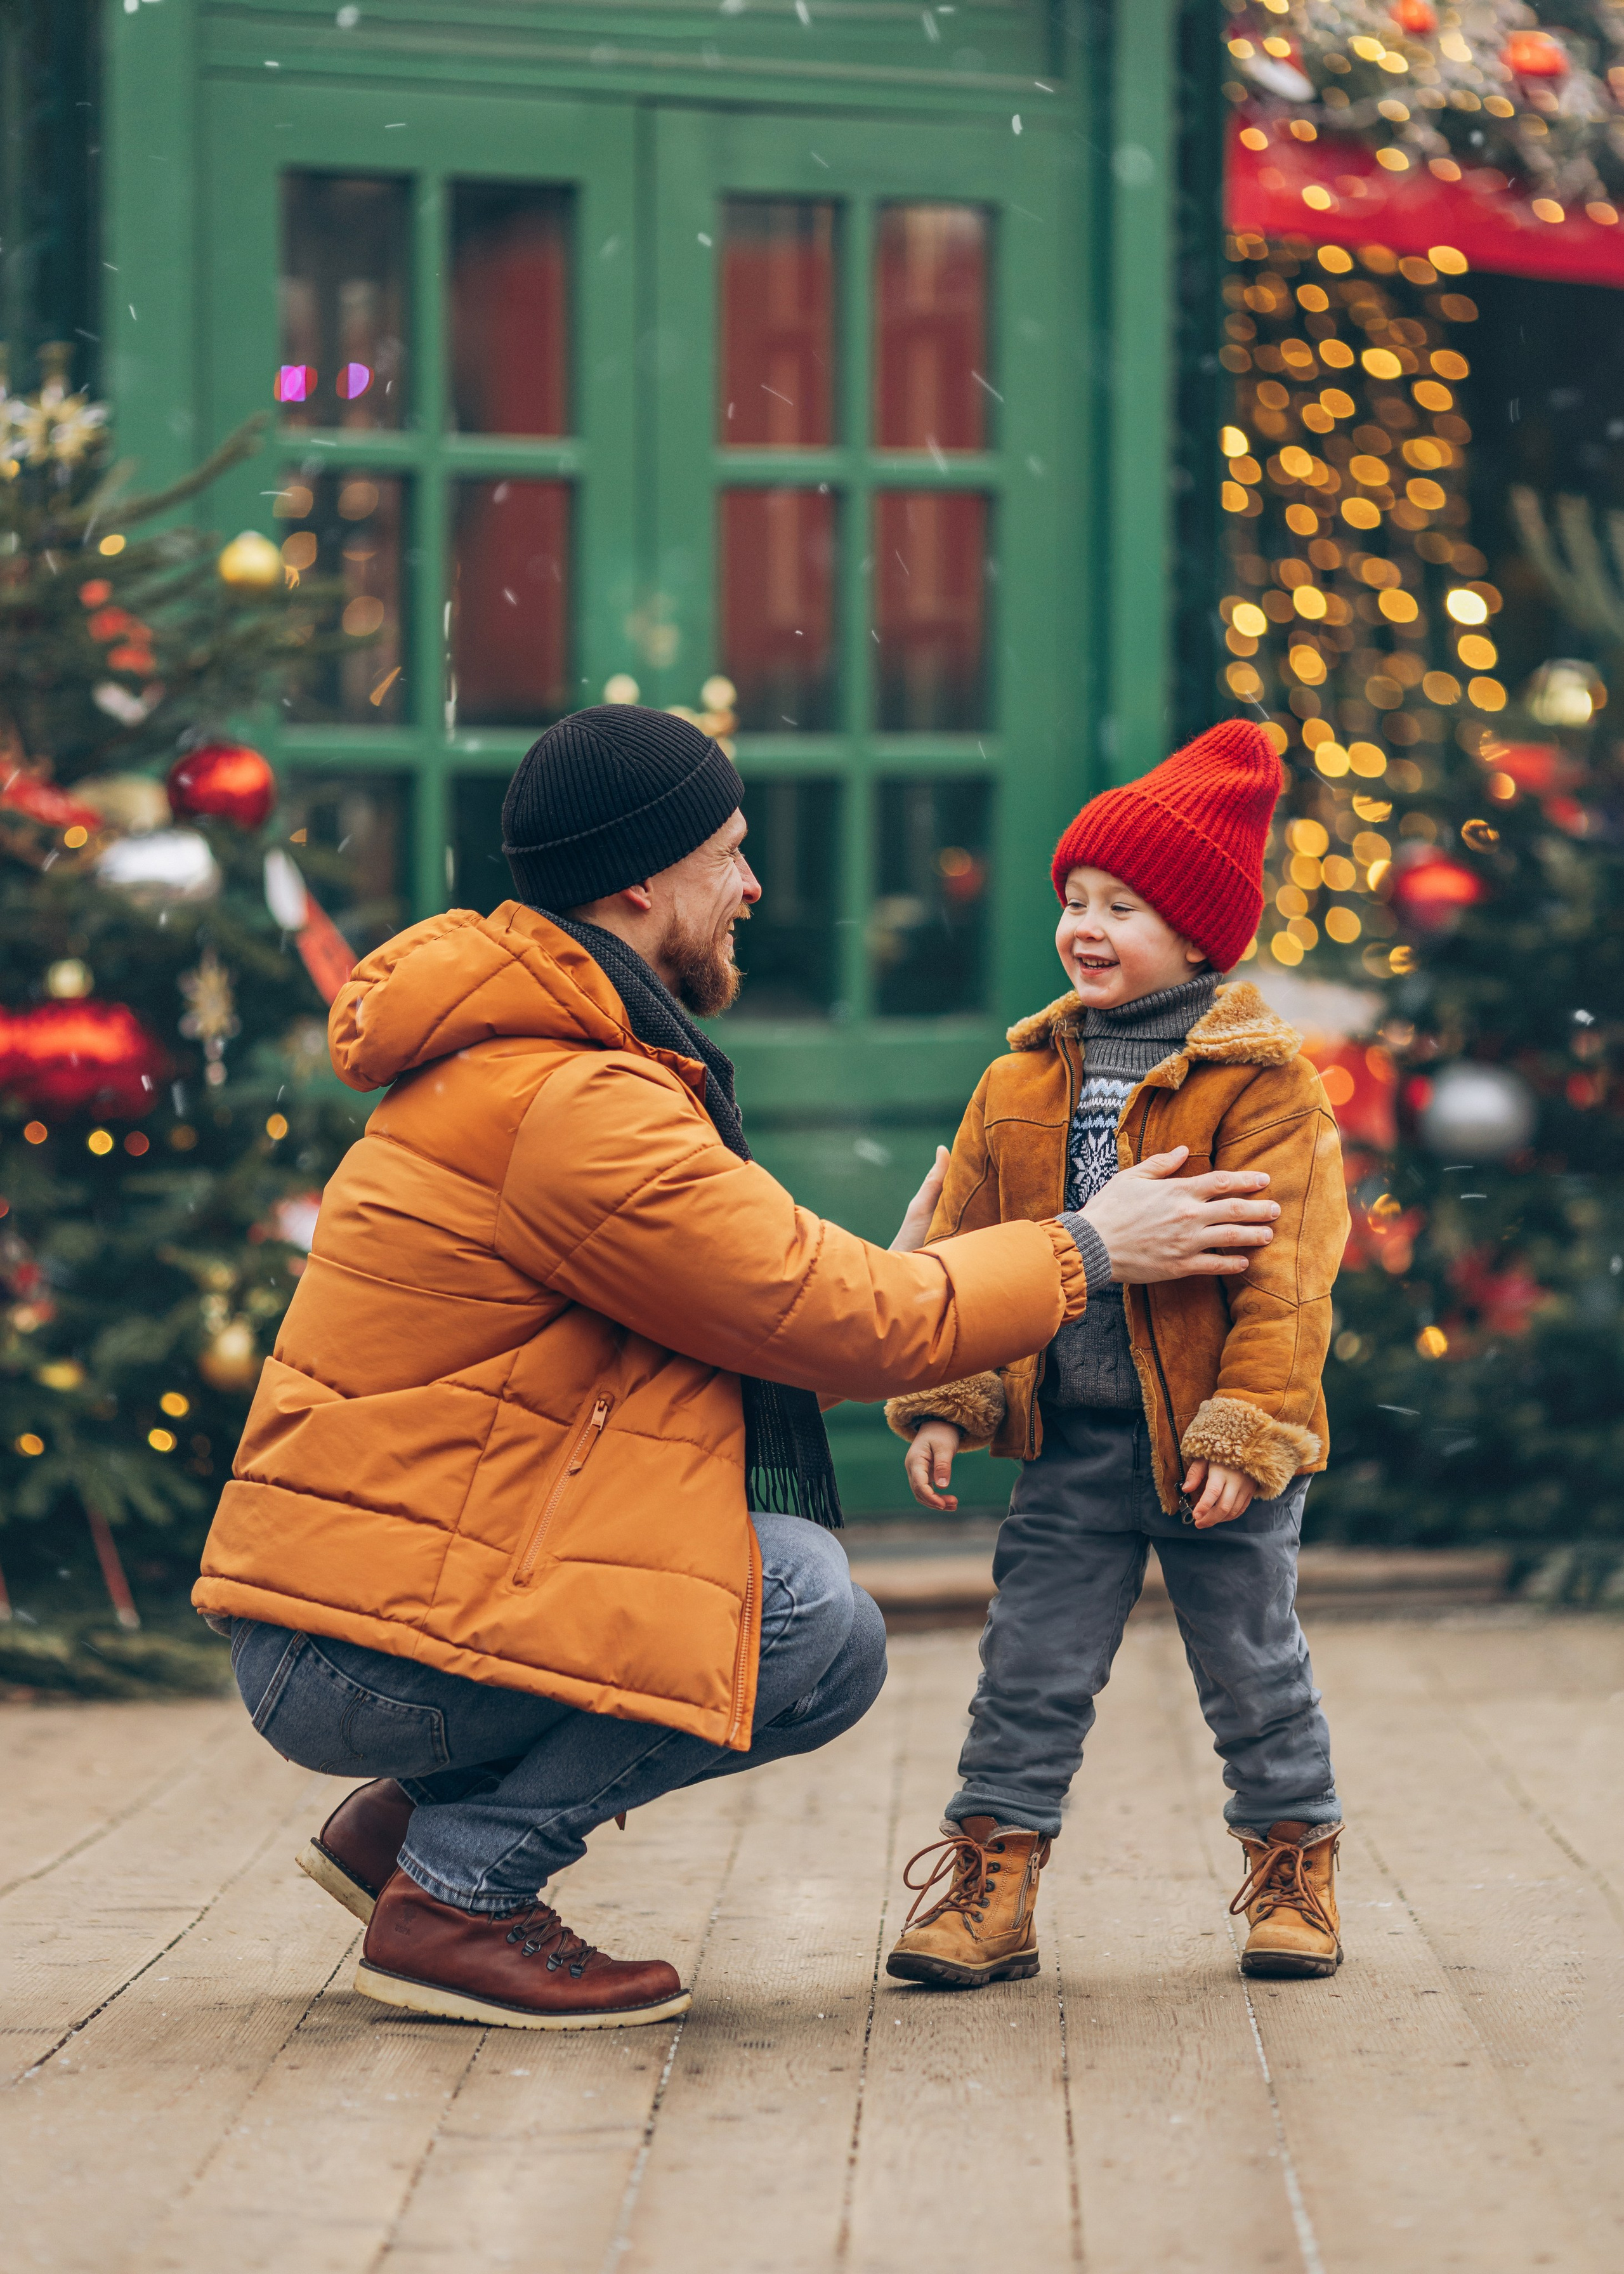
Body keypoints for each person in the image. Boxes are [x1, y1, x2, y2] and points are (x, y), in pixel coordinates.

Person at [195, 704, 1284, 2032]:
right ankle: (461, 1892)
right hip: (355, 1649)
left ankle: (404, 1840)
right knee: (806, 1623)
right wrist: (1083, 1248)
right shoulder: (576, 1101)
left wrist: (889, 1295)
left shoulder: (568, 1054)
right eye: (729, 853)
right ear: (643, 879)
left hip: (361, 1610)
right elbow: (835, 1313)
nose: (753, 887)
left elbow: (726, 1336)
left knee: (759, 1575)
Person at [882, 720, 1351, 1991]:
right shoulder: (1019, 1077)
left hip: (1211, 1451)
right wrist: (944, 1398)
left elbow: (1288, 1275)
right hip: (1077, 1445)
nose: (1083, 926)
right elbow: (975, 1243)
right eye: (1073, 900)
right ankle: (991, 1885)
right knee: (1026, 1668)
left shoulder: (1259, 1090)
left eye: (1122, 905)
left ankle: (1290, 1863)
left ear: (1197, 934)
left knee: (1251, 1667)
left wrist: (1245, 1429)